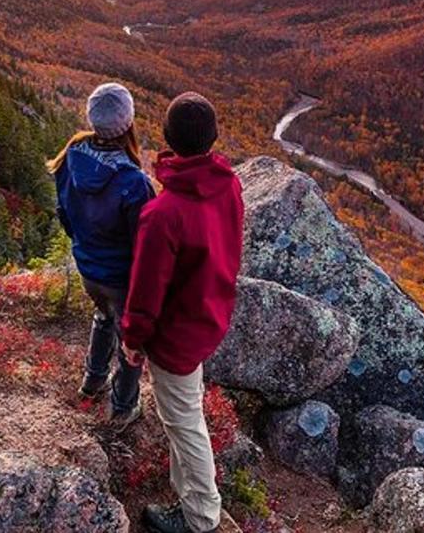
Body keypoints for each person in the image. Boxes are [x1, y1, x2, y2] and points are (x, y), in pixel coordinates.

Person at [121, 92, 244, 533]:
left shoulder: (163, 214)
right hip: (209, 315)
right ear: (213, 139)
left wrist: (133, 339)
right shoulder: (227, 183)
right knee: (183, 412)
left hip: (176, 335)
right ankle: (189, 498)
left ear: (169, 140)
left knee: (184, 423)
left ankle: (200, 518)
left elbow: (145, 293)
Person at [49, 82, 155, 429]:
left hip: (88, 268)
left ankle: (92, 382)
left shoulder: (69, 158)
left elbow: (64, 213)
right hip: (120, 276)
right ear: (128, 124)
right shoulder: (133, 181)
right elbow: (143, 244)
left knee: (102, 317)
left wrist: (85, 247)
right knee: (129, 338)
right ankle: (123, 408)